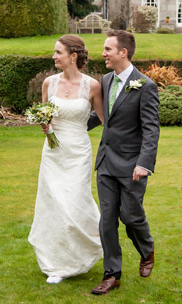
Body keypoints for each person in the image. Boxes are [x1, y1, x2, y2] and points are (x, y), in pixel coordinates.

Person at [87, 30, 160, 295]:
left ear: (123, 53)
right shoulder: (105, 81)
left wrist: (144, 163)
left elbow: (151, 130)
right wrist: (72, 128)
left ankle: (146, 248)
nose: (103, 54)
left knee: (130, 216)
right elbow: (101, 114)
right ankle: (112, 274)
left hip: (132, 165)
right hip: (106, 162)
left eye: (108, 49)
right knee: (107, 220)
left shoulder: (146, 86)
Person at [28, 34, 105, 284]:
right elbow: (44, 116)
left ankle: (92, 243)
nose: (54, 57)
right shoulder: (48, 84)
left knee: (74, 202)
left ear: (73, 56)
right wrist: (45, 125)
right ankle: (57, 264)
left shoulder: (92, 86)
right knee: (54, 205)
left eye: (58, 52)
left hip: (78, 152)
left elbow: (105, 121)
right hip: (52, 152)